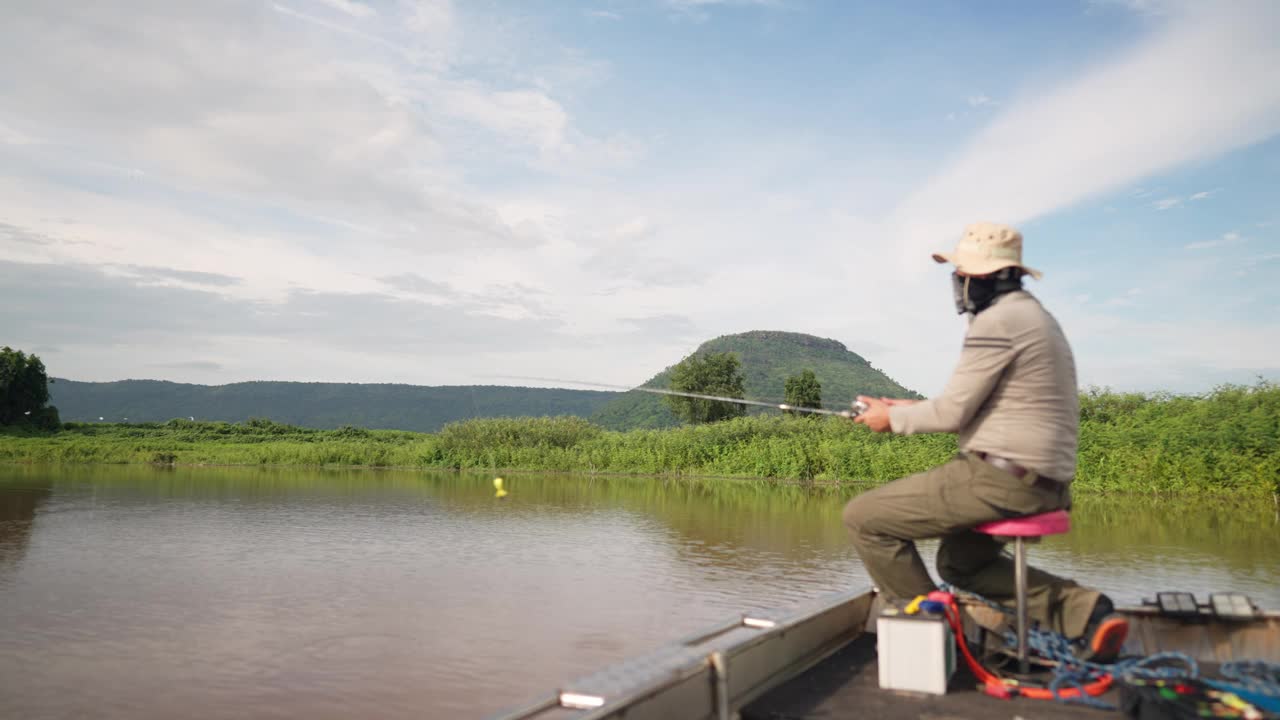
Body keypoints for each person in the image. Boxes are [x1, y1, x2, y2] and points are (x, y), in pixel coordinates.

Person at [843, 221, 1128, 662]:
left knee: (864, 517)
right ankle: (1087, 612)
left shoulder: (998, 322)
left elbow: (952, 414)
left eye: (961, 274)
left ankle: (933, 631)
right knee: (959, 564)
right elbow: (981, 407)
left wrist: (890, 420)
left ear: (981, 278)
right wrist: (900, 407)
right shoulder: (1032, 316)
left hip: (1002, 479)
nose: (956, 282)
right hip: (1044, 482)